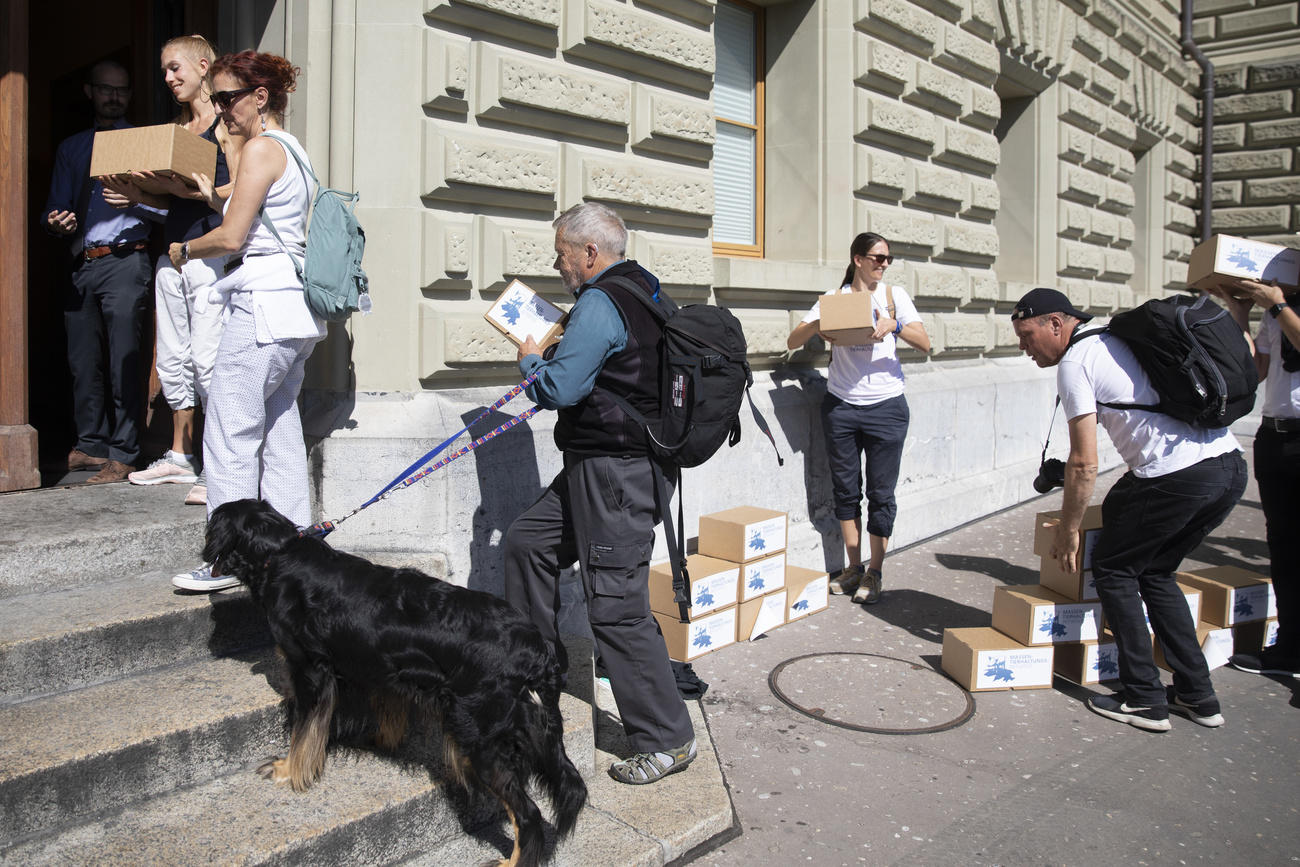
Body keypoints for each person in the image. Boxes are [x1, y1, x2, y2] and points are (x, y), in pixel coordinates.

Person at [503, 202, 696, 785]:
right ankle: (535, 666)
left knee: (614, 606)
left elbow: (561, 387)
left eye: (562, 252)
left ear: (590, 253)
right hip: (603, 467)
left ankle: (668, 738)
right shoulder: (644, 290)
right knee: (525, 543)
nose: (557, 262)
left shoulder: (601, 302)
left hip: (615, 474)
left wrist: (531, 359)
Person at [1010, 287, 1246, 731]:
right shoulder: (1117, 340)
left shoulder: (1077, 362)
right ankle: (1199, 696)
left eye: (1027, 335)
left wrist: (1069, 529)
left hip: (1180, 477)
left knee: (1116, 570)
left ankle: (1144, 699)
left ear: (1056, 324)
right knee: (1155, 572)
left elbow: (1084, 463)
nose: (1024, 347)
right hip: (1228, 468)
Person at [169, 51, 325, 592]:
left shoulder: (259, 149)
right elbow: (255, 218)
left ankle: (228, 559)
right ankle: (295, 551)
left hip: (261, 305)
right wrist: (210, 197)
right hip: (295, 311)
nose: (219, 110)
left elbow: (233, 239)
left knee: (230, 430)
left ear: (261, 97)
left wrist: (184, 249)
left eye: (227, 98)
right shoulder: (294, 151)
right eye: (214, 99)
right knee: (280, 432)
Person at [105, 35, 244, 505]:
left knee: (210, 357)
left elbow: (239, 188)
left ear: (203, 66)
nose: (168, 78)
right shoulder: (176, 130)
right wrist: (138, 195)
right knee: (173, 358)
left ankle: (218, 463)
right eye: (165, 70)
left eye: (175, 68)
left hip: (210, 255)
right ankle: (181, 457)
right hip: (173, 254)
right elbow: (172, 202)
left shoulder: (227, 124)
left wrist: (194, 193)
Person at [786, 232, 930, 604]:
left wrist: (893, 326)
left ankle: (876, 571)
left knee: (881, 494)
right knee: (846, 490)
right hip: (842, 407)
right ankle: (854, 566)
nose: (883, 264)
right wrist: (820, 324)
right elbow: (793, 341)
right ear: (857, 259)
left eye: (887, 259)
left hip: (886, 408)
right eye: (877, 257)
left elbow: (926, 342)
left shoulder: (894, 297)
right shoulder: (835, 300)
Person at [42, 60, 163, 484]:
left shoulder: (145, 143)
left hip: (127, 259)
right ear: (90, 92)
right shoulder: (72, 148)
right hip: (83, 261)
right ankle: (91, 445)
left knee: (125, 358)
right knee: (82, 360)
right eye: (107, 90)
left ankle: (124, 451)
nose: (115, 97)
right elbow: (54, 207)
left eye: (122, 91)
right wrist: (57, 223)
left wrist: (135, 202)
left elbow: (169, 208)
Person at [1213, 275, 1300, 679]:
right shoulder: (1277, 310)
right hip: (1275, 435)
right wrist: (1242, 313)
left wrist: (1279, 306)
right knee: (1283, 545)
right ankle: (1290, 649)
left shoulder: (1282, 308)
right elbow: (1255, 370)